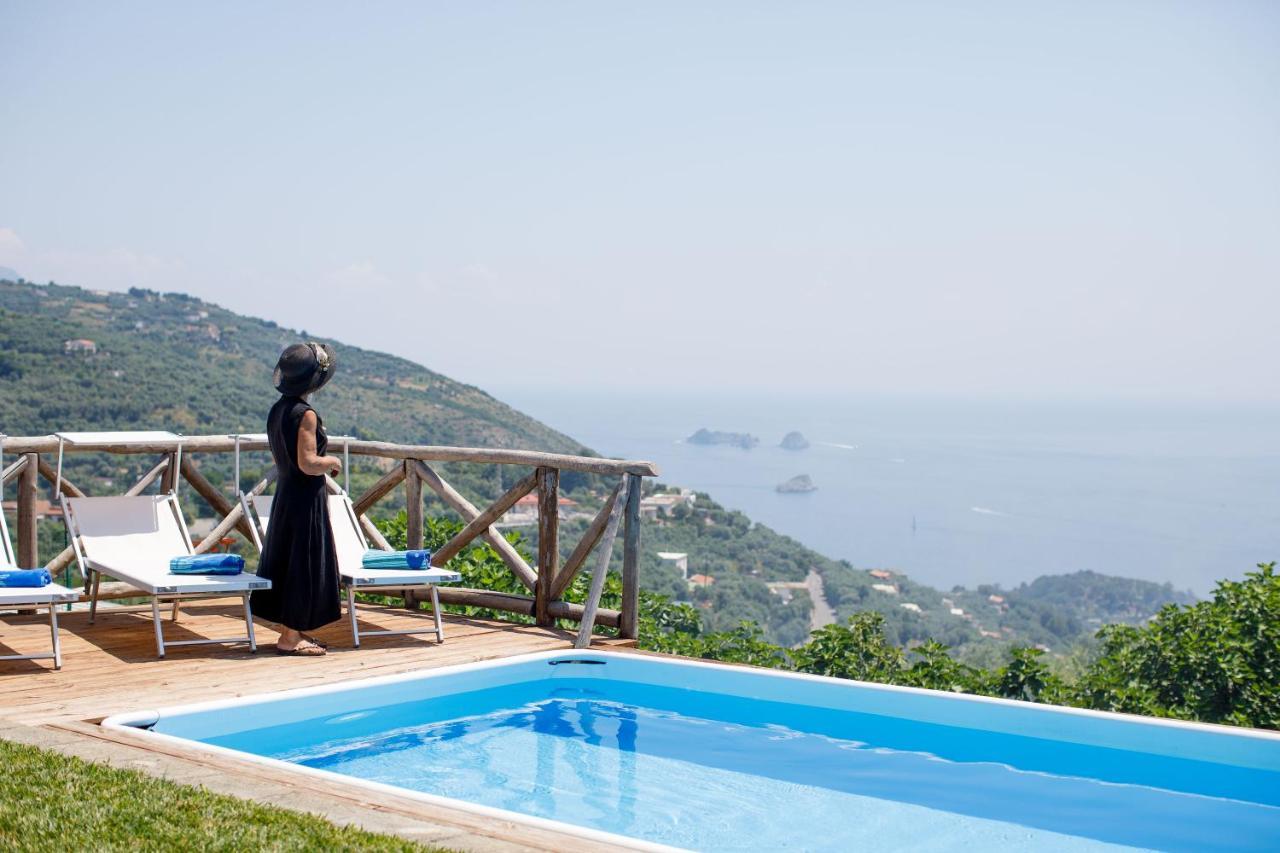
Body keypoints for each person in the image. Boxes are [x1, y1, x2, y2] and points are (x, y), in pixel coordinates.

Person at [251, 342, 343, 656]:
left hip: (286, 495)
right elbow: (307, 462)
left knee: (288, 559)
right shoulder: (306, 415)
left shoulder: (278, 410)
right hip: (305, 497)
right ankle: (290, 637)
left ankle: (291, 631)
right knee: (303, 563)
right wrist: (332, 462)